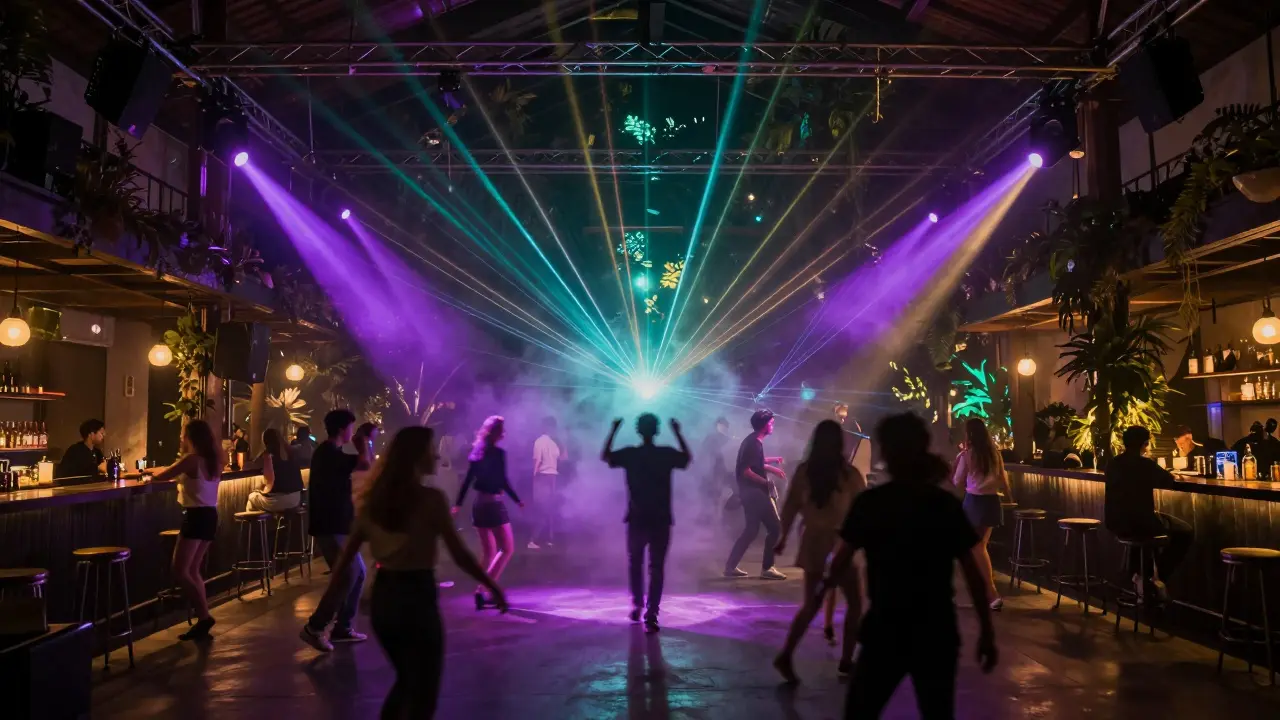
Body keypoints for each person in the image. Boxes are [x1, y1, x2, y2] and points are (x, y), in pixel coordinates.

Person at [324, 426, 507, 718]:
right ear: (416, 456)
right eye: (430, 449)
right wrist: (492, 586)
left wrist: (330, 609)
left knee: (408, 681)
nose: (436, 455)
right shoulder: (431, 500)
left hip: (385, 599)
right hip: (417, 598)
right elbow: (459, 554)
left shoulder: (373, 501)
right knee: (423, 689)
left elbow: (345, 561)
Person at [826, 413, 997, 718]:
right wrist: (986, 630)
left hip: (885, 629)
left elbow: (838, 561)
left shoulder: (872, 503)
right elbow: (971, 573)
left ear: (885, 452)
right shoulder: (942, 505)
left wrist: (820, 601)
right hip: (936, 631)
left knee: (860, 712)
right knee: (937, 712)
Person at [773, 420, 866, 682]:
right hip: (840, 544)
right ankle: (847, 661)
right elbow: (862, 510)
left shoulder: (805, 472)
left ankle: (786, 653)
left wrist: (782, 538)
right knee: (856, 603)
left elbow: (790, 507)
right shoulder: (848, 475)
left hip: (813, 542)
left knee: (812, 604)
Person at [602, 414, 692, 633]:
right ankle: (652, 612)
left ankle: (638, 604)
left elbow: (606, 456)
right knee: (656, 567)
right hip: (660, 518)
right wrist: (678, 431)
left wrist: (613, 429)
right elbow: (687, 459)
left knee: (636, 564)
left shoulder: (631, 454)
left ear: (638, 430)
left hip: (637, 518)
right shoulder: (665, 454)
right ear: (657, 430)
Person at [300, 409, 372, 652]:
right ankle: (316, 627)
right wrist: (363, 443)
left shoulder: (331, 453)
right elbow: (364, 464)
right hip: (330, 525)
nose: (352, 432)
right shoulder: (328, 453)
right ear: (343, 429)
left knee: (357, 573)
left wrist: (363, 443)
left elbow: (363, 466)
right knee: (348, 575)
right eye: (351, 427)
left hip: (336, 524)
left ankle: (342, 627)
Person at [147, 420, 224, 641]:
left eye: (184, 435)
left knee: (181, 570)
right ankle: (203, 618)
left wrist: (148, 474)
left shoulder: (191, 460)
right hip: (210, 516)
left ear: (191, 438)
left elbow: (163, 475)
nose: (182, 438)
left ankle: (205, 616)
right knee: (193, 570)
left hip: (196, 517)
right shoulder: (214, 461)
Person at [1104, 426, 1195, 602]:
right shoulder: (1145, 464)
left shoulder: (1113, 463)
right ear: (1145, 444)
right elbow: (1168, 481)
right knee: (1185, 532)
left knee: (1143, 533)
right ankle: (1157, 576)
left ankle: (1141, 576)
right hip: (1142, 523)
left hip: (1116, 522)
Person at [453, 416, 522, 609]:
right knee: (507, 549)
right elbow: (503, 480)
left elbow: (467, 481)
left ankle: (485, 592)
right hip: (493, 505)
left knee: (489, 552)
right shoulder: (499, 454)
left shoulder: (476, 453)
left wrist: (457, 504)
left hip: (478, 505)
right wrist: (517, 500)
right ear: (498, 433)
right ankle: (483, 590)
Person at [952, 418, 1013, 611]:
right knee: (980, 548)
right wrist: (1010, 498)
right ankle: (984, 594)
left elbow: (957, 481)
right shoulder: (995, 454)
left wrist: (954, 466)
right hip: (992, 502)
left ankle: (991, 594)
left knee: (974, 549)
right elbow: (1003, 479)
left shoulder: (967, 455)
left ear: (969, 435)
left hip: (974, 502)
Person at [724, 409, 788, 580]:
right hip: (754, 493)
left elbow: (756, 462)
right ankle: (768, 568)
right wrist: (766, 482)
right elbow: (746, 471)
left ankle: (730, 567)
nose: (773, 425)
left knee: (751, 530)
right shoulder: (754, 443)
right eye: (771, 422)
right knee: (775, 528)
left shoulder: (753, 441)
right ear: (764, 424)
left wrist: (773, 464)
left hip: (748, 493)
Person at [245, 428, 304, 512]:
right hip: (296, 499)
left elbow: (268, 482)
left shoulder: (268, 455)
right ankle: (277, 524)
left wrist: (261, 490)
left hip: (279, 500)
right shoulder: (291, 452)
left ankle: (256, 525)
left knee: (252, 497)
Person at [529, 416, 562, 549]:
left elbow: (537, 460)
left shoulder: (539, 441)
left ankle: (534, 540)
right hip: (552, 477)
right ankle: (549, 539)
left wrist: (533, 476)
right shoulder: (554, 444)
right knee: (548, 509)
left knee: (541, 509)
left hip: (542, 476)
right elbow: (561, 458)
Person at [699, 417, 733, 522]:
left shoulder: (729, 439)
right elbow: (704, 453)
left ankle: (720, 519)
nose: (723, 427)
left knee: (725, 495)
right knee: (715, 496)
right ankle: (713, 520)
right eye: (721, 425)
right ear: (716, 426)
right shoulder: (711, 438)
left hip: (726, 471)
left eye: (725, 425)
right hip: (714, 471)